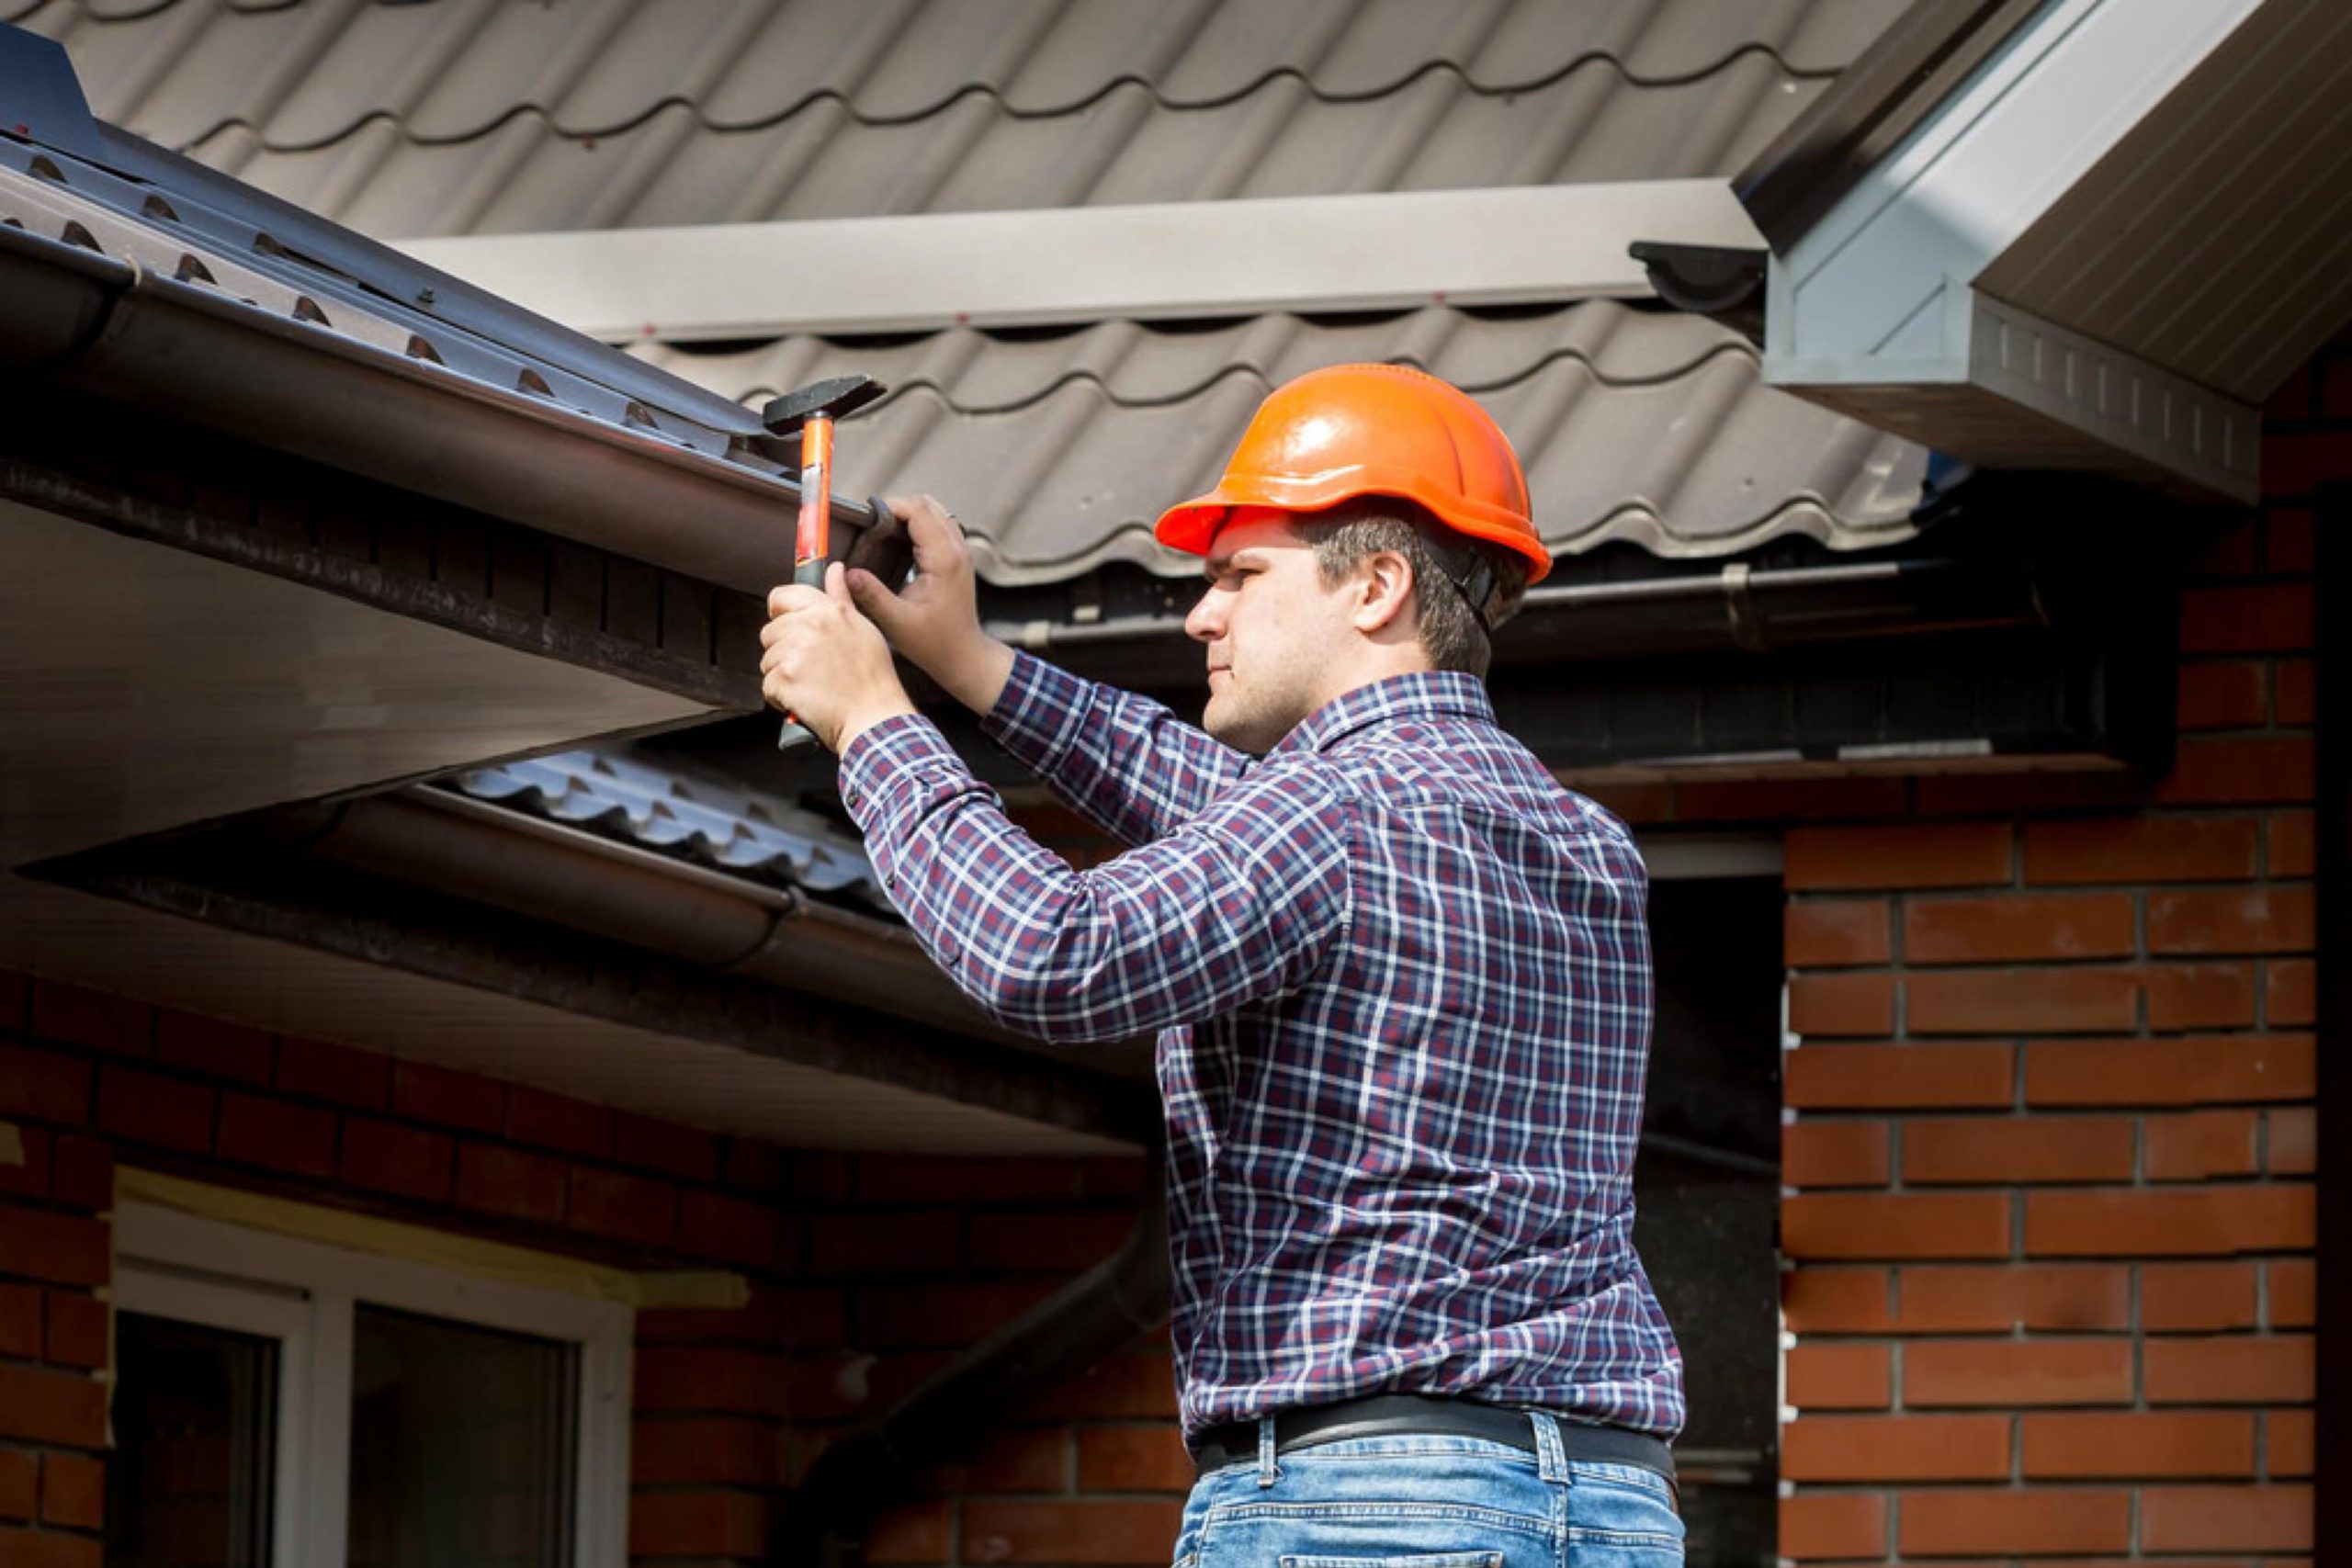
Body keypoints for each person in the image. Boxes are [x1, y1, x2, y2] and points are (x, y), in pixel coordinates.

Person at [761, 363, 1685, 1567]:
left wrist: (875, 722)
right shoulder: (1576, 840)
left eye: (1239, 576)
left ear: (1378, 588)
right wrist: (969, 665)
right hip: (1608, 1506)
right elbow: (1219, 806)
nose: (1201, 615)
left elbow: (1050, 951)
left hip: (1373, 1507)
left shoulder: (1337, 817)